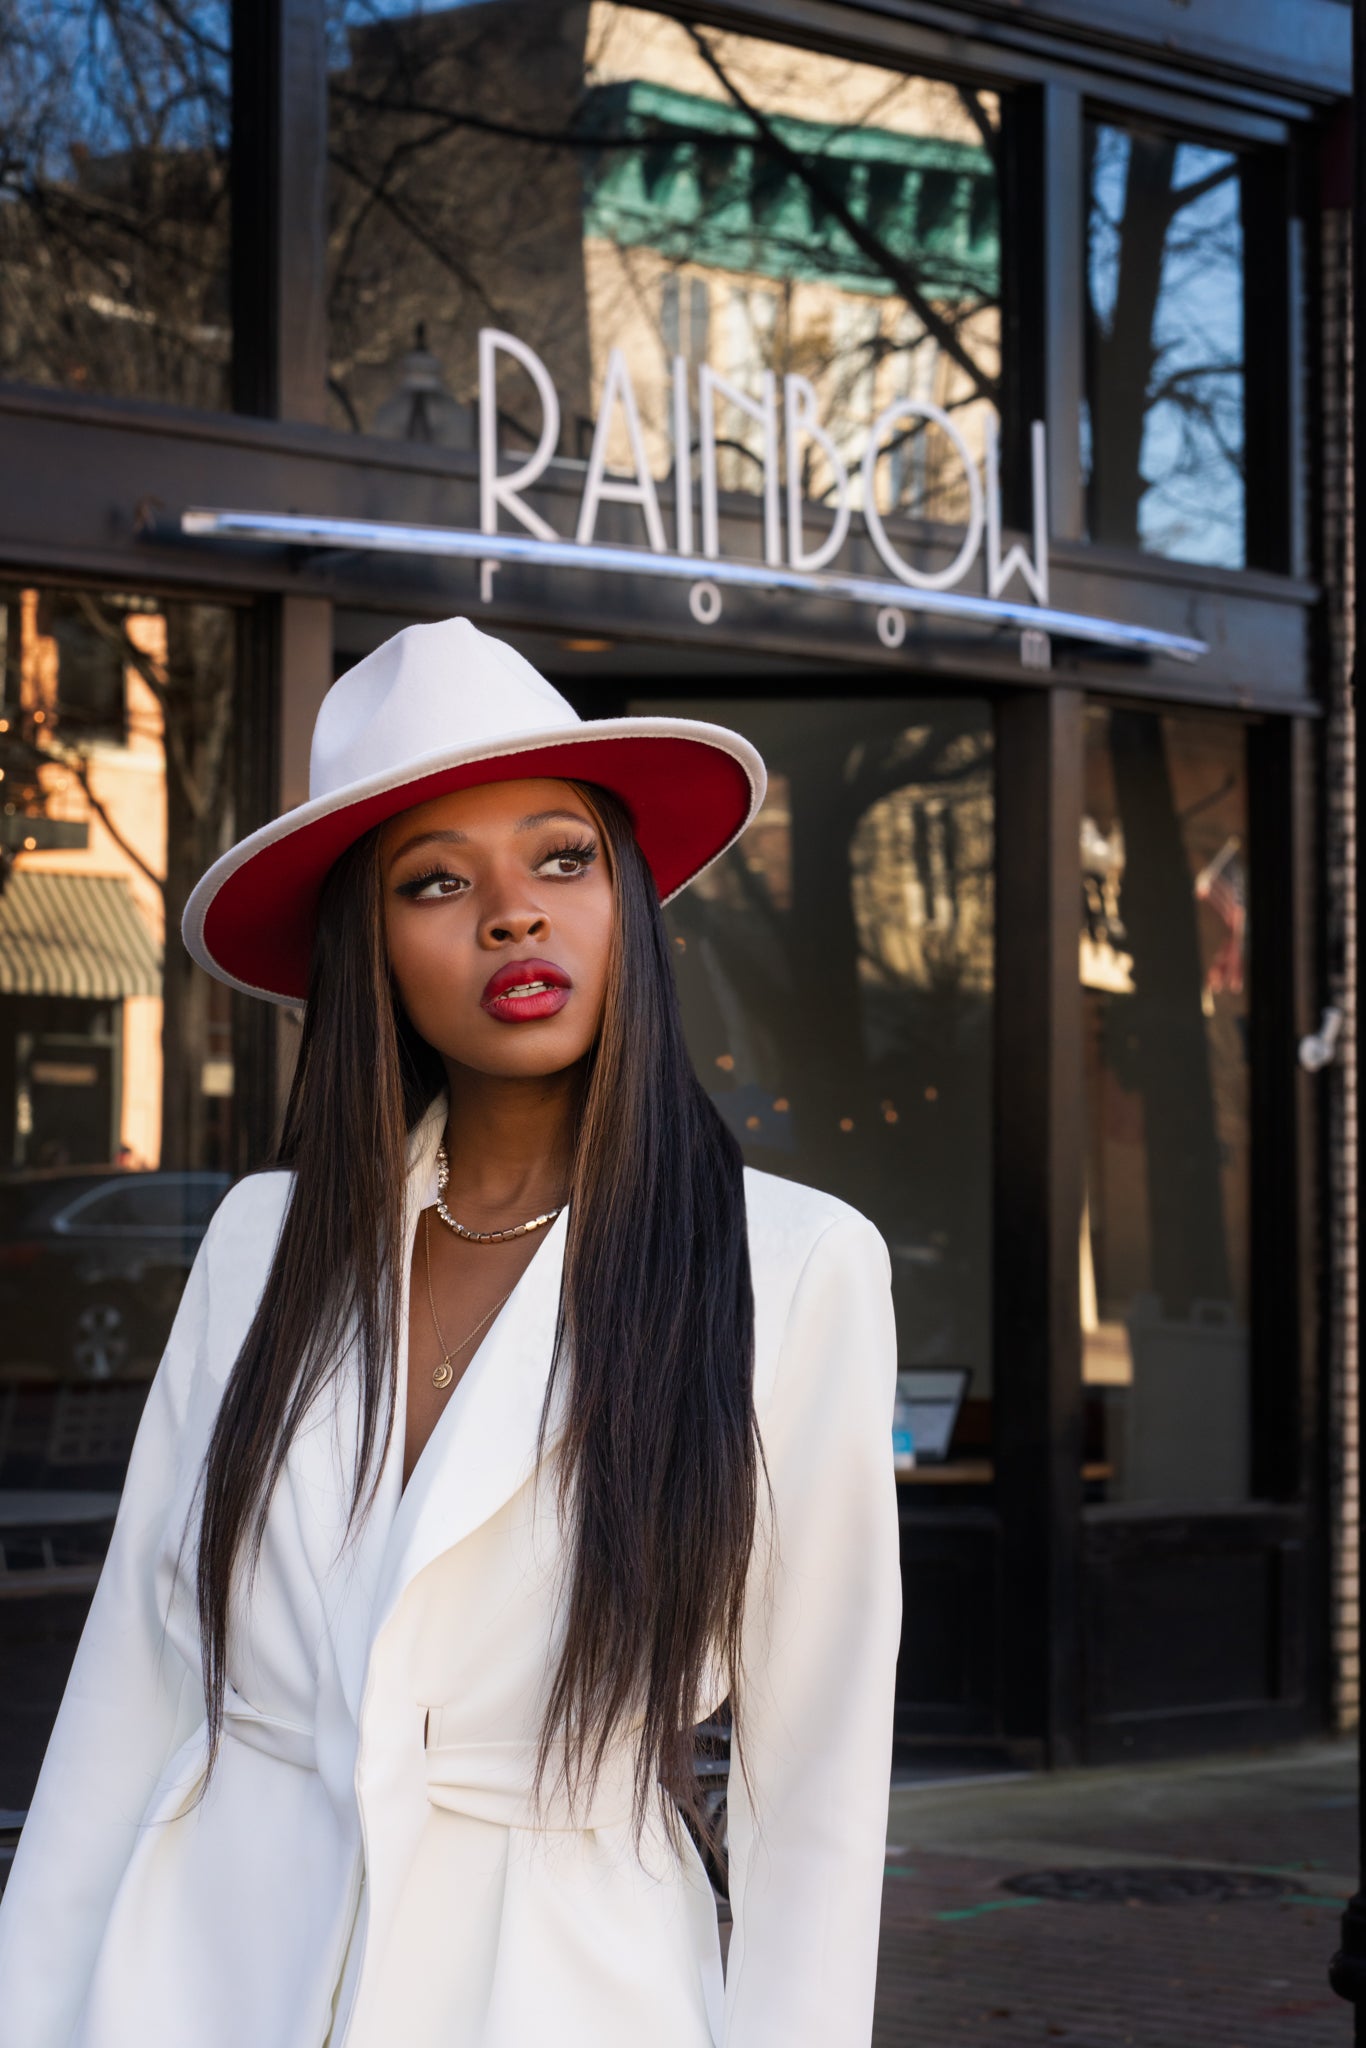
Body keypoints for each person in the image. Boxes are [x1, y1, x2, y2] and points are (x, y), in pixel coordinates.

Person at [0, 618, 901, 2048]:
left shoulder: (792, 1266)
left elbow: (817, 1781)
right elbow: (134, 1680)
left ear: (627, 901)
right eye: (436, 880)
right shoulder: (262, 1245)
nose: (513, 916)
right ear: (369, 947)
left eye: (563, 859)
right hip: (202, 1972)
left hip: (562, 1987)